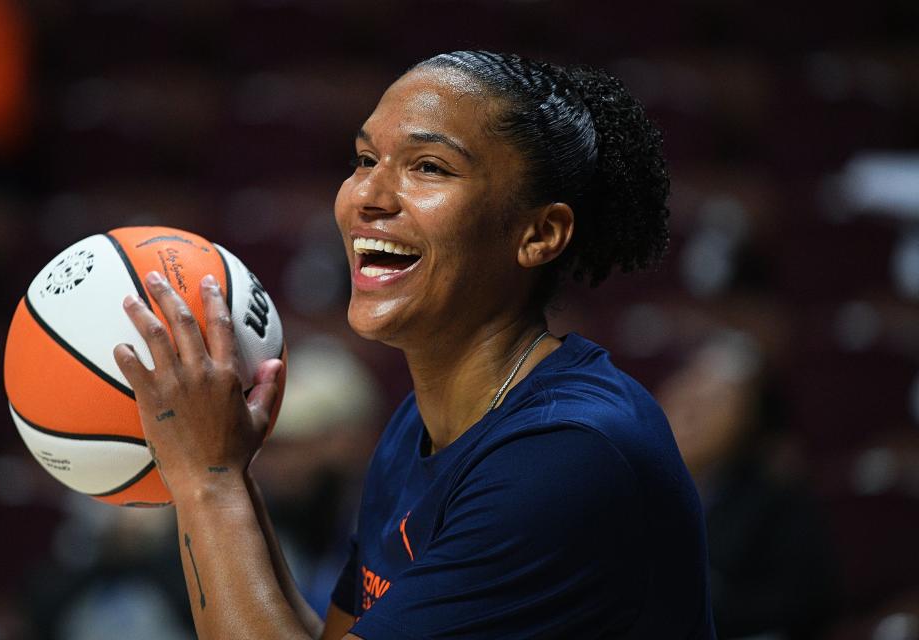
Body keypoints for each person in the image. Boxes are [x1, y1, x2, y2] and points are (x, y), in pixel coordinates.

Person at [113, 50, 716, 639]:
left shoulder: (567, 456)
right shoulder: (418, 427)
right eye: (364, 158)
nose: (368, 196)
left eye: (429, 166)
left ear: (540, 234)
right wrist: (230, 474)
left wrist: (207, 480)